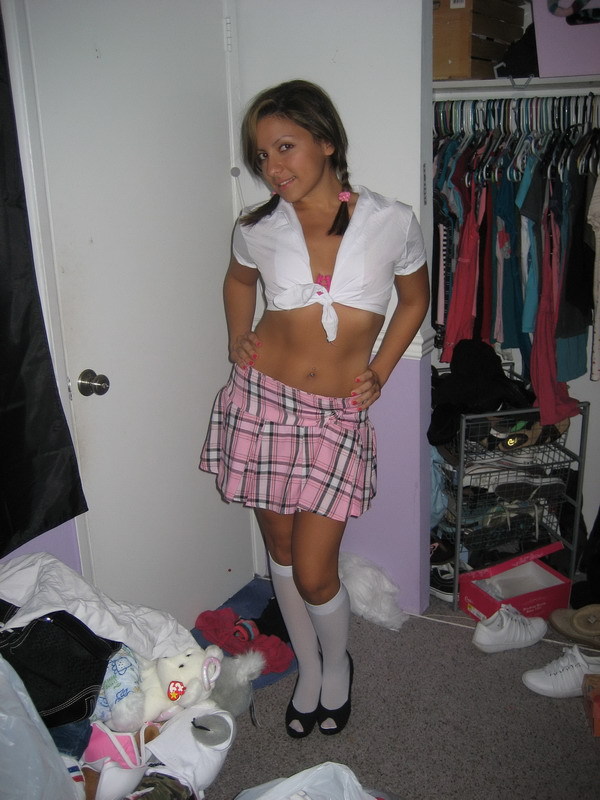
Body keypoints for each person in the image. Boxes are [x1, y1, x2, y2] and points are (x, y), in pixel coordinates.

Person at [200, 79, 429, 737]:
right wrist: (236, 335)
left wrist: (381, 371)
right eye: (261, 154)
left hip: (334, 417)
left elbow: (415, 299)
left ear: (326, 141)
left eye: (286, 146)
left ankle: (338, 664)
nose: (273, 166)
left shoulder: (391, 222)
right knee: (278, 546)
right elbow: (238, 280)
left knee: (313, 569)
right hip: (262, 403)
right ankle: (309, 669)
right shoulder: (258, 227)